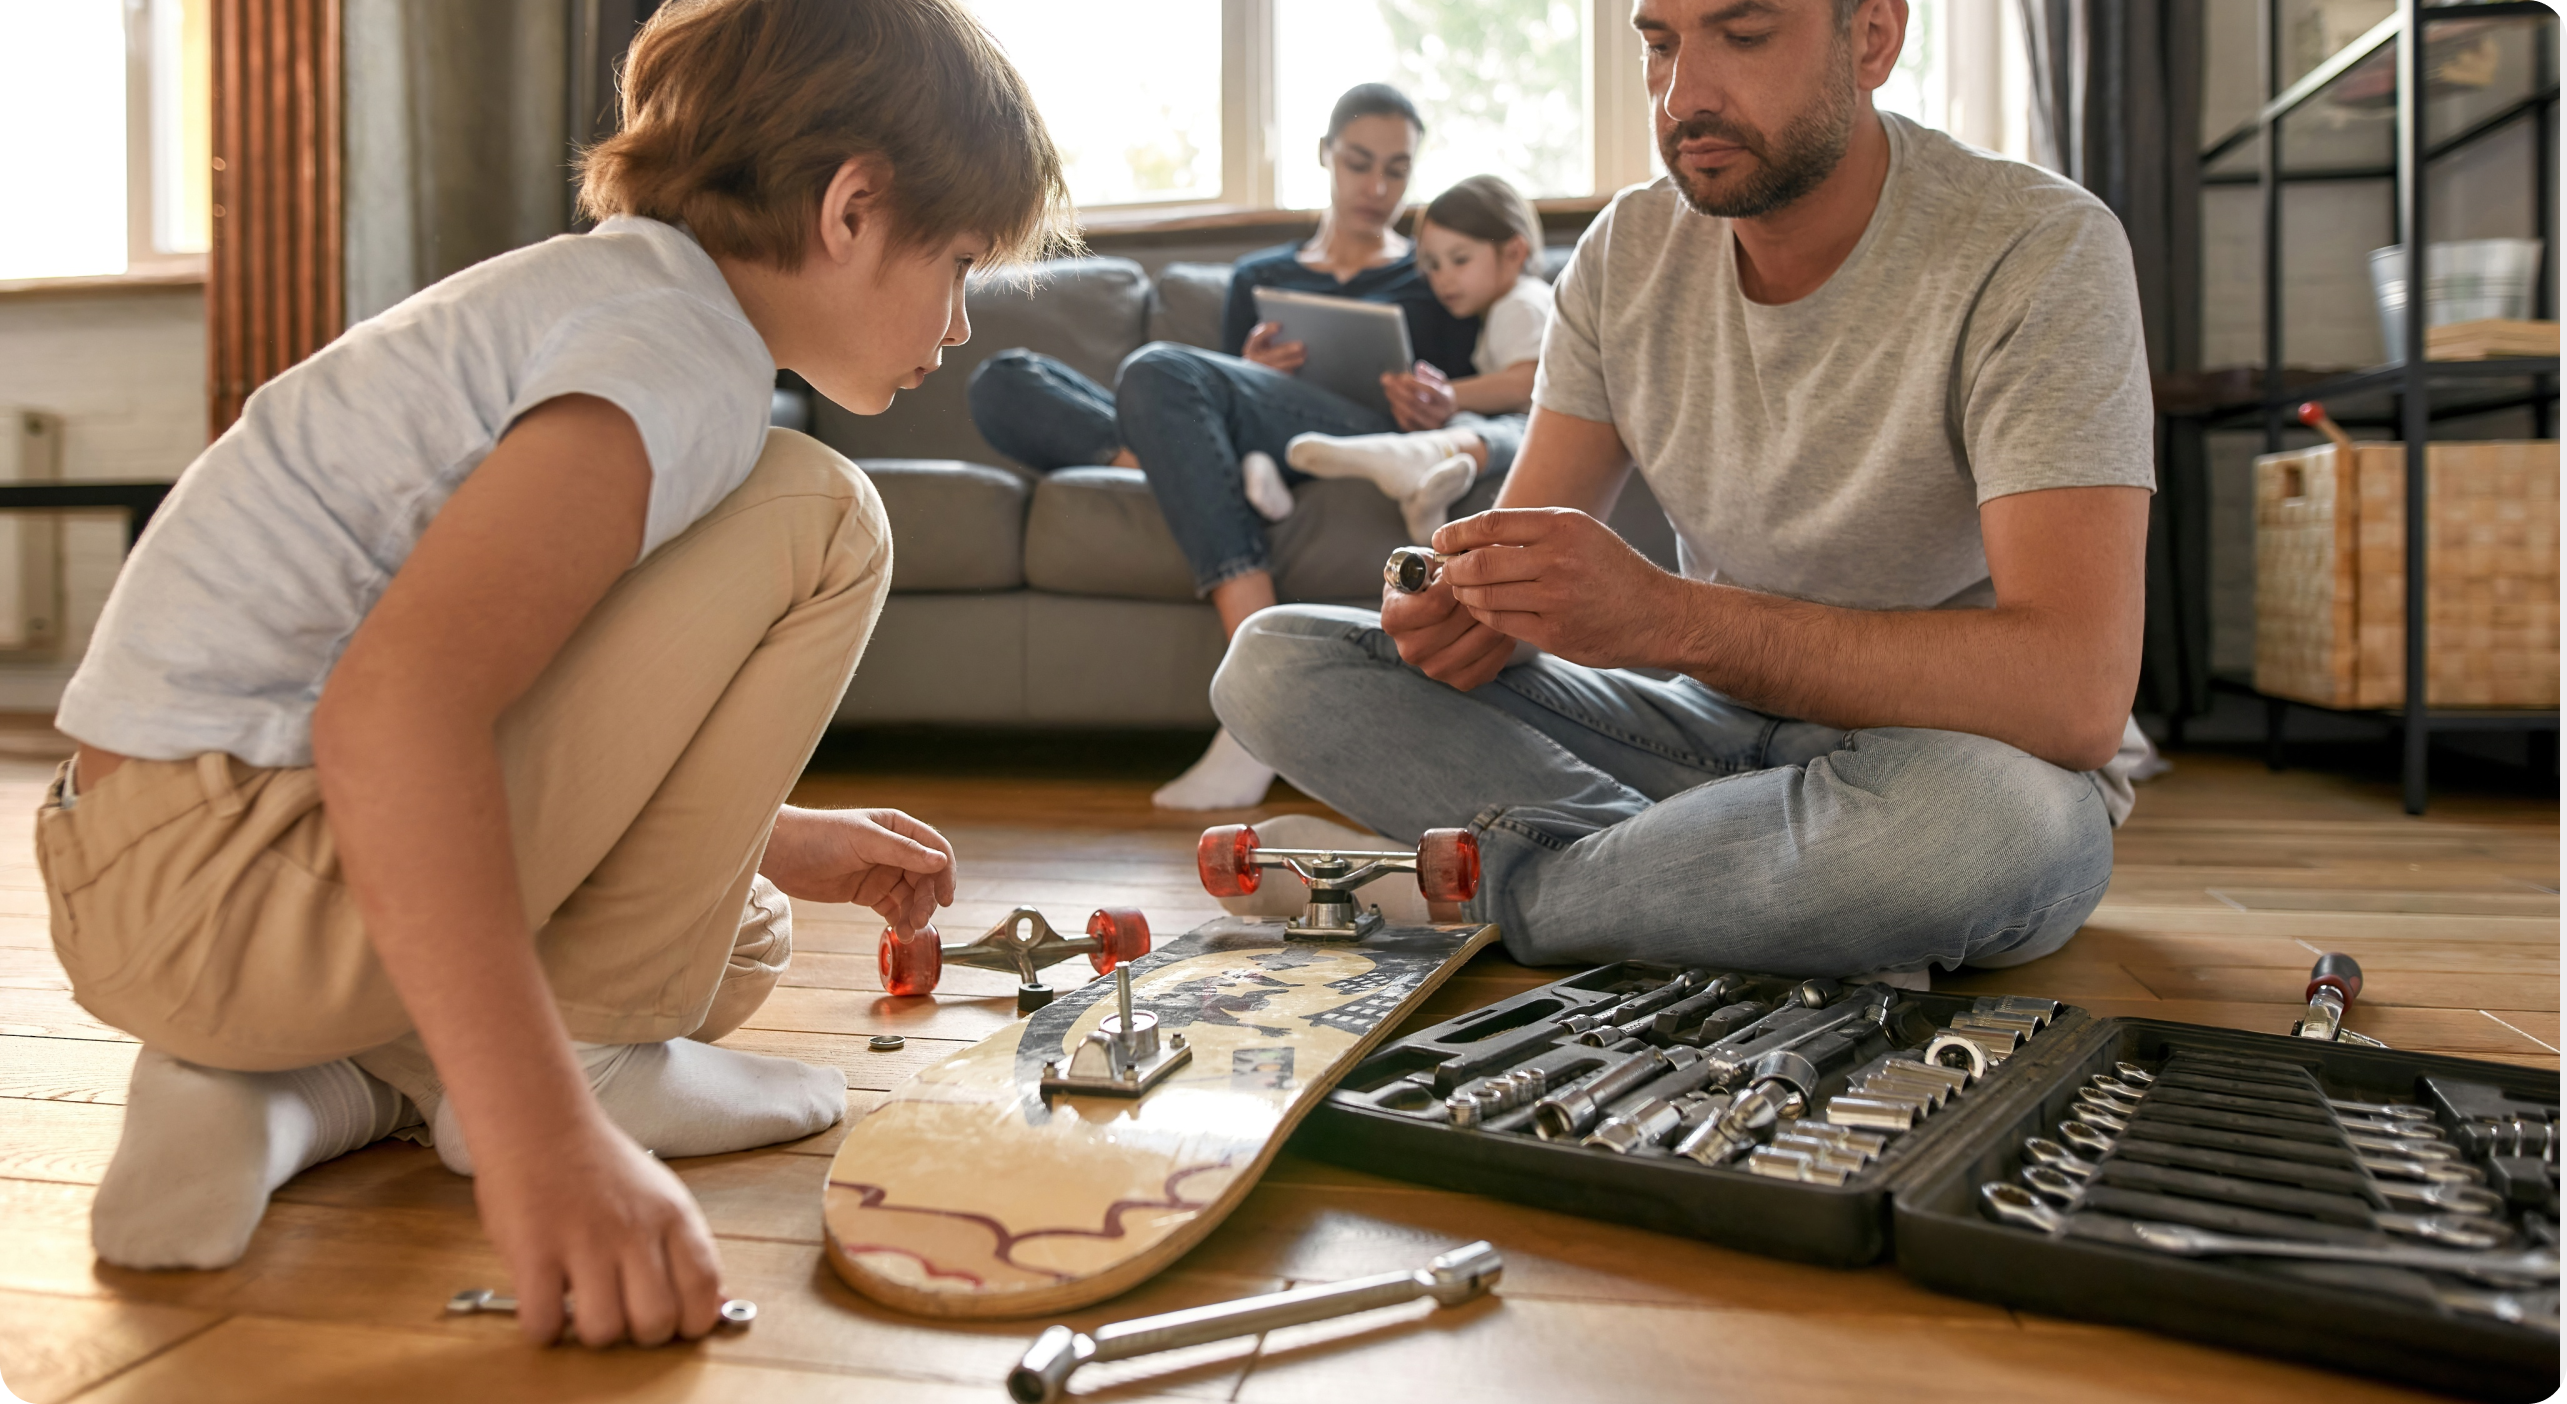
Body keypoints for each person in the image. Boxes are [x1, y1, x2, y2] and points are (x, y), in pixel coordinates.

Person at [39, 0, 1069, 1349]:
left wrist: (779, 835)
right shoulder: (676, 357)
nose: (955, 325)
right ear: (853, 208)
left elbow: (494, 688)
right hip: (225, 878)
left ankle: (284, 1088)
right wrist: (545, 1136)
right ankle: (560, 1074)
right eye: (959, 264)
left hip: (155, 882)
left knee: (742, 926)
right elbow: (400, 712)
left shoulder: (603, 300)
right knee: (823, 513)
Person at [1213, 0, 2158, 981]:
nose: (1682, 95)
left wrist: (1669, 620)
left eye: (1741, 35)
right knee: (1272, 663)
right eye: (1657, 43)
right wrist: (1467, 607)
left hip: (1953, 762)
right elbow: (1515, 563)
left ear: (1870, 37)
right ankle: (1722, 883)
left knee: (1974, 838)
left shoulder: (2035, 246)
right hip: (1702, 738)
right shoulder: (1624, 254)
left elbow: (2076, 694)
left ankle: (1496, 894)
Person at [965, 84, 1503, 811]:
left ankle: (1251, 675)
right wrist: (1250, 371)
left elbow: (1458, 400)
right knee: (1006, 381)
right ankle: (1204, 491)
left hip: (1359, 442)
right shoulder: (1258, 276)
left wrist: (1431, 402)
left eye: (1397, 170)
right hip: (1251, 447)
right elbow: (1192, 405)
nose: (1377, 187)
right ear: (1325, 156)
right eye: (1358, 164)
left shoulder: (1430, 277)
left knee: (1156, 368)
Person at [1284, 173, 1554, 544]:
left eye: (1459, 260)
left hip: (1544, 427)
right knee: (1469, 421)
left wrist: (1449, 394)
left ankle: (1427, 454)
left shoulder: (1520, 305)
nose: (1443, 280)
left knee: (1507, 429)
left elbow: (1529, 383)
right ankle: (1432, 486)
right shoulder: (1501, 308)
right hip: (1511, 423)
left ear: (1513, 253)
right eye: (1433, 265)